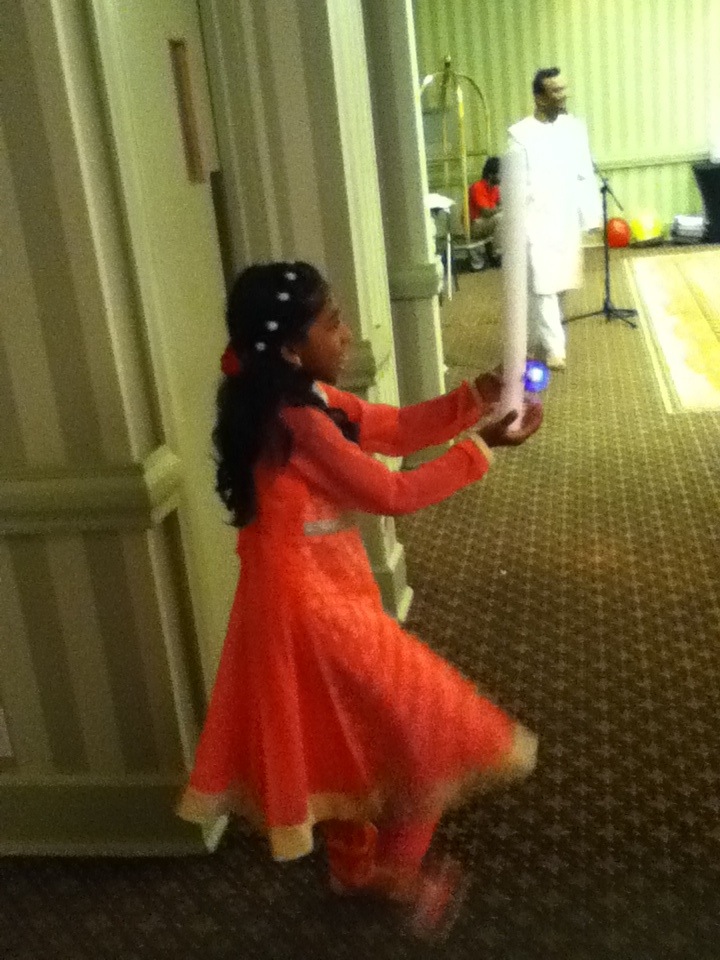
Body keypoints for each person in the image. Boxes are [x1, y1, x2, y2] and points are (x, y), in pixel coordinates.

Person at [177, 261, 542, 937]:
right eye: (333, 323)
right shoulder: (299, 422)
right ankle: (395, 871)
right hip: (309, 608)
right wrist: (482, 448)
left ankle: (355, 869)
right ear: (292, 347)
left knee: (344, 734)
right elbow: (391, 492)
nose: (347, 336)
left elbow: (392, 428)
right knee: (424, 723)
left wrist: (477, 396)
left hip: (311, 594)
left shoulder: (300, 400)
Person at [508, 68, 601, 370]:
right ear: (539, 97)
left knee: (560, 282)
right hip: (535, 220)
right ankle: (555, 347)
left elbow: (584, 173)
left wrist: (591, 217)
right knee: (543, 283)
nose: (563, 96)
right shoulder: (520, 135)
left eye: (564, 89)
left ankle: (541, 336)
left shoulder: (574, 129)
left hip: (566, 218)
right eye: (556, 91)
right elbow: (514, 185)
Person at [468, 155, 502, 267]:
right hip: (475, 225)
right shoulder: (478, 187)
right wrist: (503, 208)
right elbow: (486, 212)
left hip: (485, 222)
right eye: (500, 174)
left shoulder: (495, 188)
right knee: (501, 218)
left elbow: (500, 205)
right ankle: (497, 254)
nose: (502, 177)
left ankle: (496, 253)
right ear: (491, 175)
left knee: (508, 216)